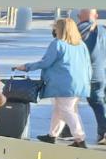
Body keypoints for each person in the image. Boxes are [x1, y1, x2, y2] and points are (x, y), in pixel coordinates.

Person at [18, 17, 92, 148]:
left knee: (67, 110)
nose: (54, 30)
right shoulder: (81, 45)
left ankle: (80, 139)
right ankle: (52, 136)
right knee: (60, 109)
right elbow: (88, 66)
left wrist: (26, 67)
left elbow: (45, 62)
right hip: (79, 84)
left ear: (61, 30)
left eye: (55, 28)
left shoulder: (57, 44)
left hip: (64, 85)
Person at [77, 9, 105, 144]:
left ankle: (104, 132)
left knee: (96, 102)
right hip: (103, 72)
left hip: (90, 74)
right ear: (96, 16)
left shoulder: (79, 29)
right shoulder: (103, 30)